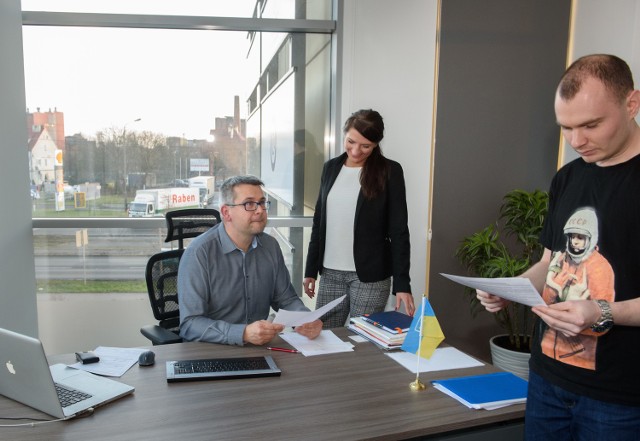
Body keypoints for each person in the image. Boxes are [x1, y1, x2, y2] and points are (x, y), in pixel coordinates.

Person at [477, 54, 640, 439]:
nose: (576, 141)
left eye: (591, 125)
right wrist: (512, 288)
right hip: (548, 379)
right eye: (565, 128)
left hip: (620, 397)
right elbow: (550, 264)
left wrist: (603, 312)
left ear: (632, 103)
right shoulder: (567, 178)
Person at [178, 175, 322, 346]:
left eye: (262, 202)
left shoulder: (270, 246)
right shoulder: (199, 253)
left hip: (258, 348)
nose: (260, 210)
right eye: (249, 204)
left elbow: (286, 299)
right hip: (211, 351)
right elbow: (190, 325)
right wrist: (243, 333)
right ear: (226, 213)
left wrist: (305, 318)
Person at [303, 109, 415, 328]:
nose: (355, 151)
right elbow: (319, 223)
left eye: (365, 146)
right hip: (331, 272)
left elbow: (399, 230)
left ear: (376, 144)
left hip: (370, 276)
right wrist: (310, 270)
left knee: (362, 340)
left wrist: (403, 284)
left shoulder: (390, 171)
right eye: (351, 142)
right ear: (345, 134)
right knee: (323, 337)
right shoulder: (330, 168)